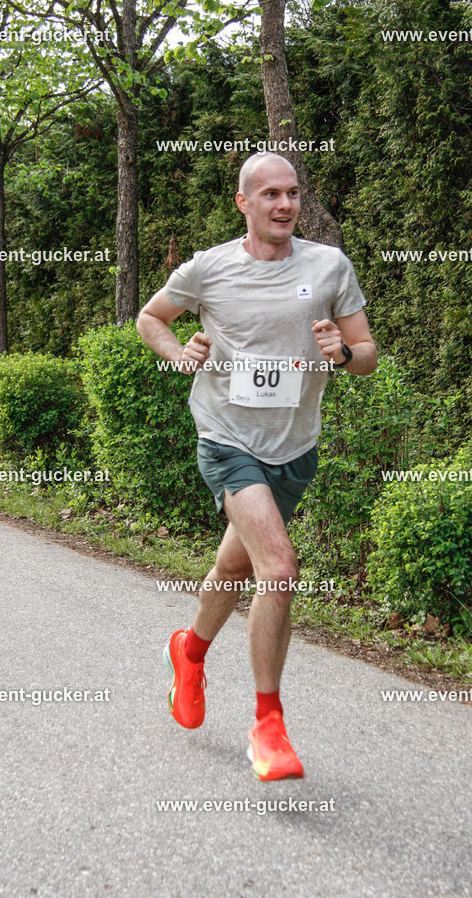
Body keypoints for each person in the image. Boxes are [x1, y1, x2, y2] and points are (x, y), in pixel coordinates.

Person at [135, 152, 377, 780]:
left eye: (292, 193)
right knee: (279, 563)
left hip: (294, 446)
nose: (284, 205)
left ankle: (188, 652)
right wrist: (179, 352)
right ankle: (268, 725)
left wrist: (344, 352)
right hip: (227, 436)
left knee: (235, 565)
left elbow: (368, 353)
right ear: (242, 202)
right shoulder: (209, 269)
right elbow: (150, 317)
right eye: (269, 194)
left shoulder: (329, 266)